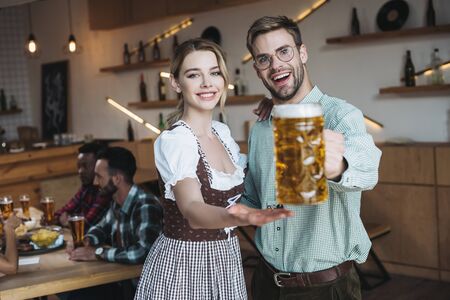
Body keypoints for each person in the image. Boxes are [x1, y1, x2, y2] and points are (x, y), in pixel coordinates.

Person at [134, 38, 292, 300]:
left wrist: (277, 106)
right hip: (184, 267)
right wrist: (243, 217)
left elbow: (258, 171)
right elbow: (193, 210)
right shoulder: (176, 140)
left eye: (215, 73)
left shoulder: (222, 133)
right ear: (175, 83)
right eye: (194, 75)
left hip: (225, 260)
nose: (207, 83)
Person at [242, 16, 382, 300]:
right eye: (264, 59)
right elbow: (253, 201)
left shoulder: (340, 115)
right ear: (257, 69)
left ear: (302, 53)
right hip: (266, 282)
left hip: (326, 288)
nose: (276, 65)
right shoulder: (260, 128)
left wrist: (338, 167)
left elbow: (367, 170)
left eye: (284, 51)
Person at [67, 146, 162, 299]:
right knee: (74, 294)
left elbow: (143, 252)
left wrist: (97, 253)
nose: (95, 182)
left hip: (147, 291)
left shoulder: (146, 204)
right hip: (123, 283)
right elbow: (101, 228)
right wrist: (86, 240)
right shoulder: (117, 202)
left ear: (117, 179)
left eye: (99, 177)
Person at [54, 142, 111, 231]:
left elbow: (87, 225)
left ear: (98, 166)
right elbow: (63, 211)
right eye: (78, 166)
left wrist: (68, 221)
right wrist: (59, 218)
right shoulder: (86, 187)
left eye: (85, 166)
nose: (80, 171)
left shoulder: (105, 190)